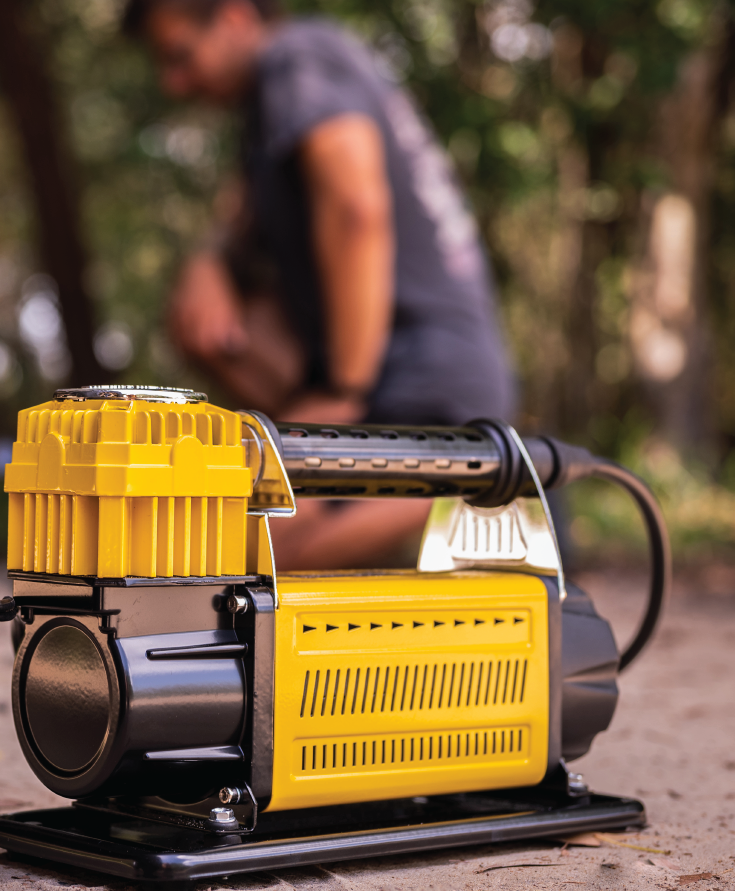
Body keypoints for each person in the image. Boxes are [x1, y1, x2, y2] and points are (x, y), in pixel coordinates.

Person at [123, 0, 517, 568]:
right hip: (370, 383)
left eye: (182, 57)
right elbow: (237, 225)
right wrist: (208, 263)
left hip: (427, 388)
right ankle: (391, 505)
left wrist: (342, 390)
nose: (175, 83)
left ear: (235, 17)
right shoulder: (268, 117)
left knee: (234, 565)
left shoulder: (297, 57)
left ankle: (484, 492)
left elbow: (357, 206)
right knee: (202, 326)